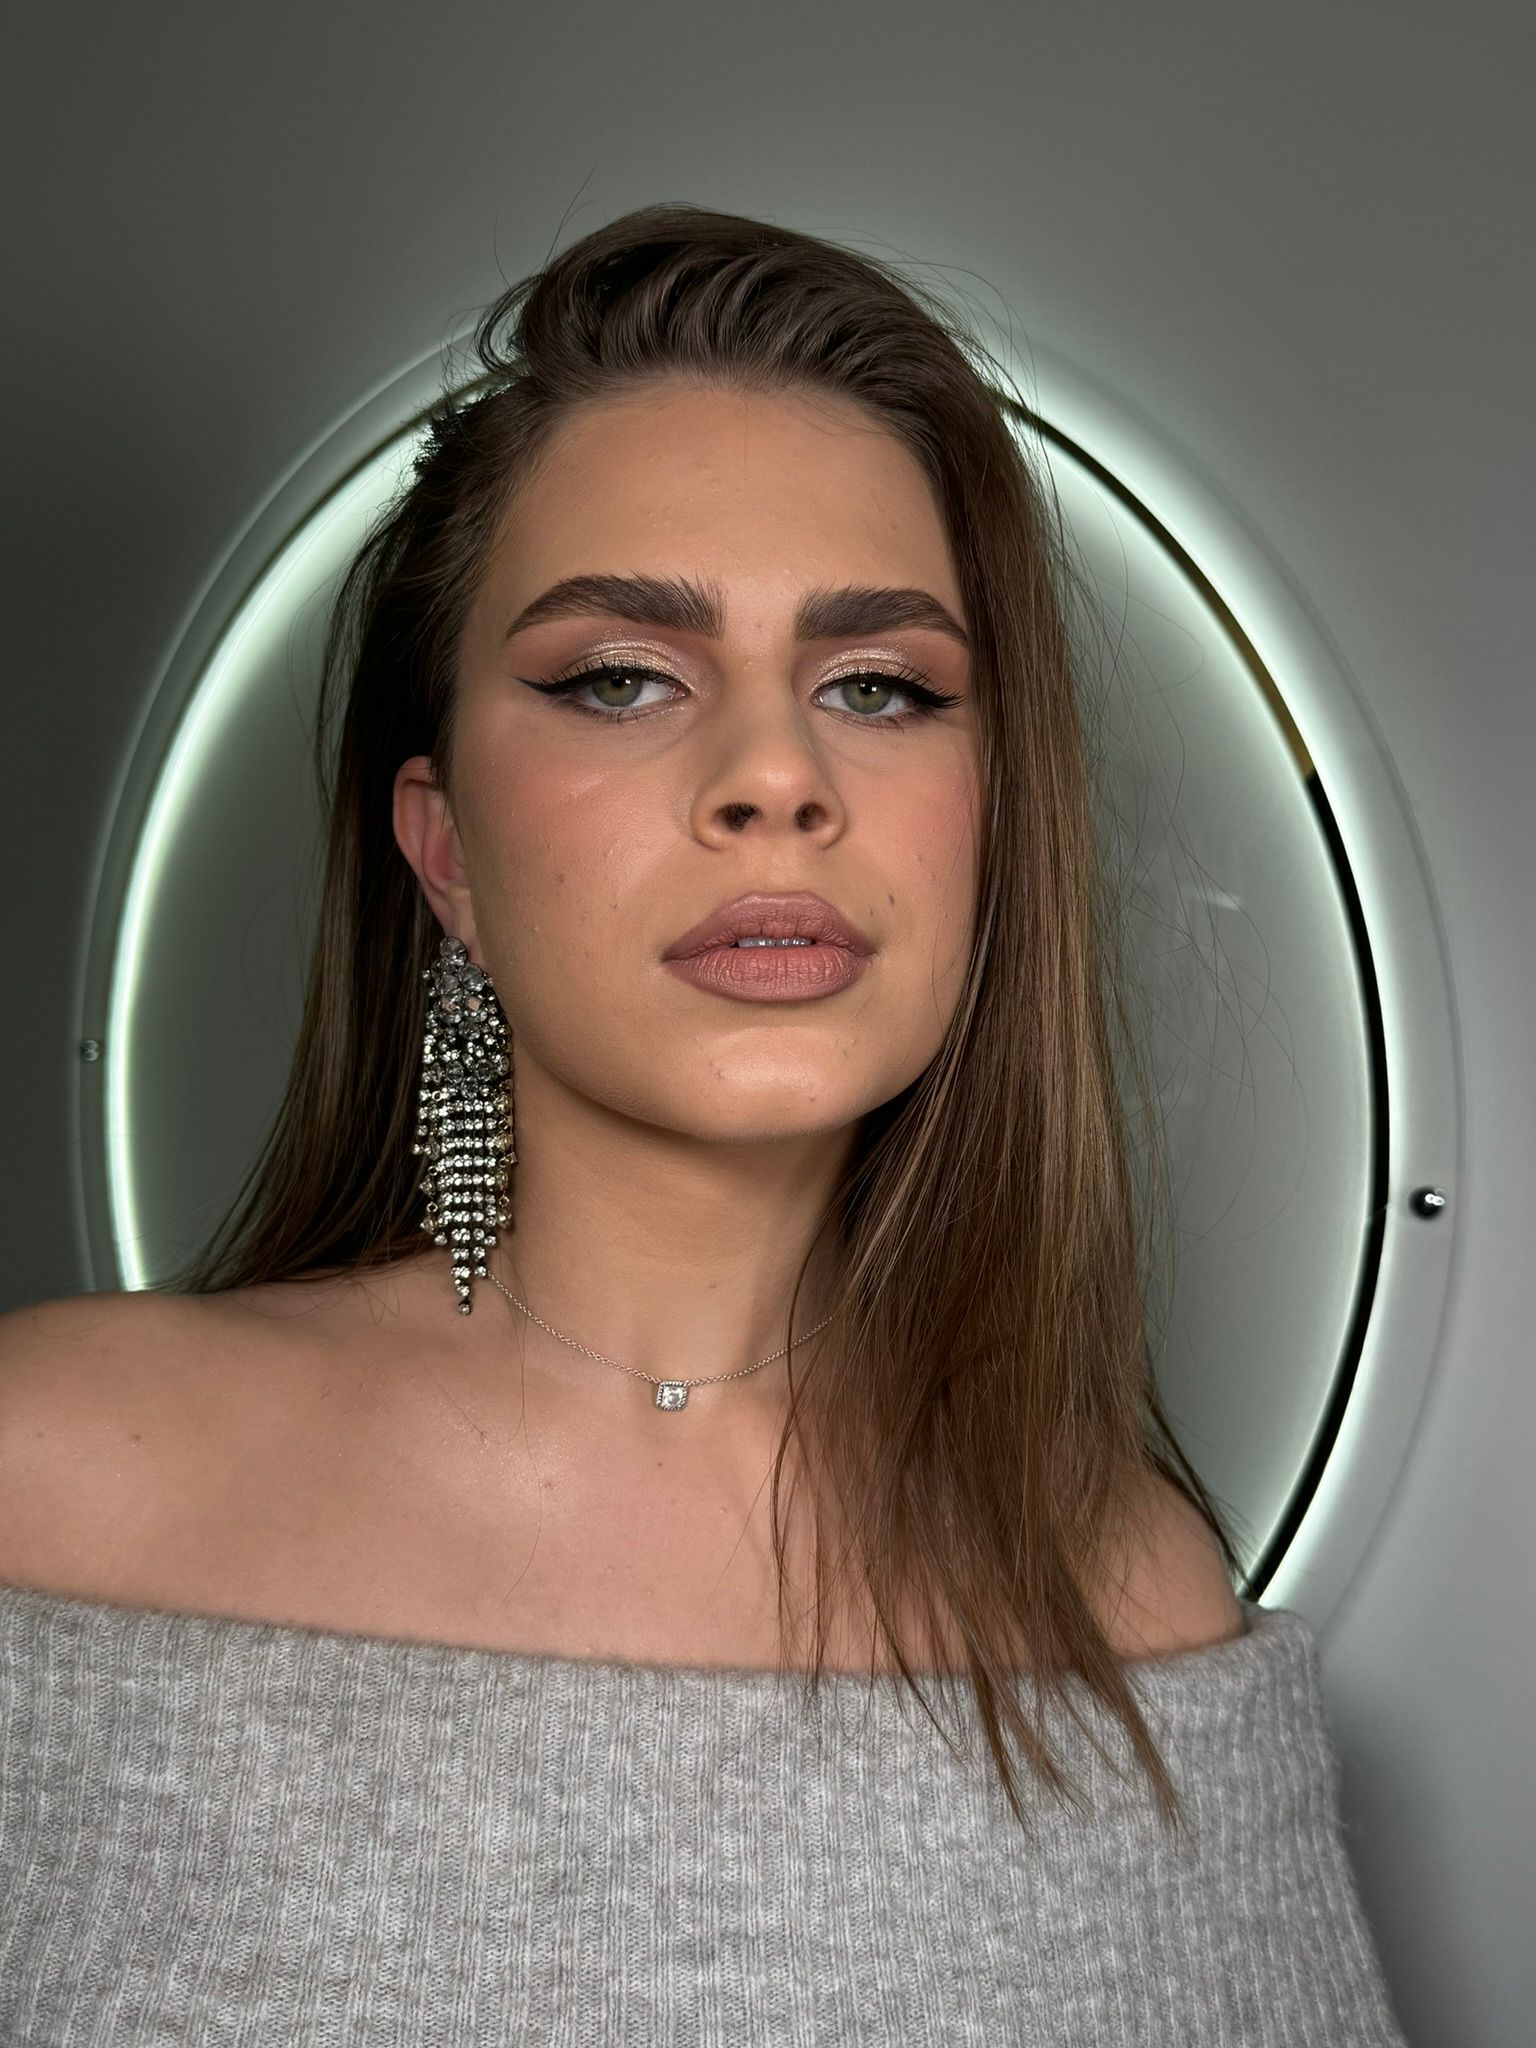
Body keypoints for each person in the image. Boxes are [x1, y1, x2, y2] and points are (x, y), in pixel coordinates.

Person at [0, 202, 1406, 2043]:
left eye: (879, 687)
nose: (773, 779)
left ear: (992, 825)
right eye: (623, 678)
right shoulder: (53, 1482)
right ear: (444, 854)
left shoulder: (1124, 1591)